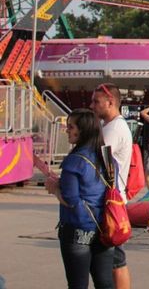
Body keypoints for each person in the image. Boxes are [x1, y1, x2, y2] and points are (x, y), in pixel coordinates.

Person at [45, 109, 114, 289]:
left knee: (77, 284)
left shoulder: (74, 160)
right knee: (105, 282)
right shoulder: (107, 156)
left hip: (78, 228)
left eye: (71, 127)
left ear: (83, 130)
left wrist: (54, 189)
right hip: (105, 226)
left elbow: (71, 201)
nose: (67, 130)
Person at [90, 84, 132, 289]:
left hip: (110, 201)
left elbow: (97, 161)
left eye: (96, 102)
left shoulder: (113, 129)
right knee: (114, 260)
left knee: (116, 261)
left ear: (111, 102)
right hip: (113, 198)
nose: (92, 106)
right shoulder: (113, 126)